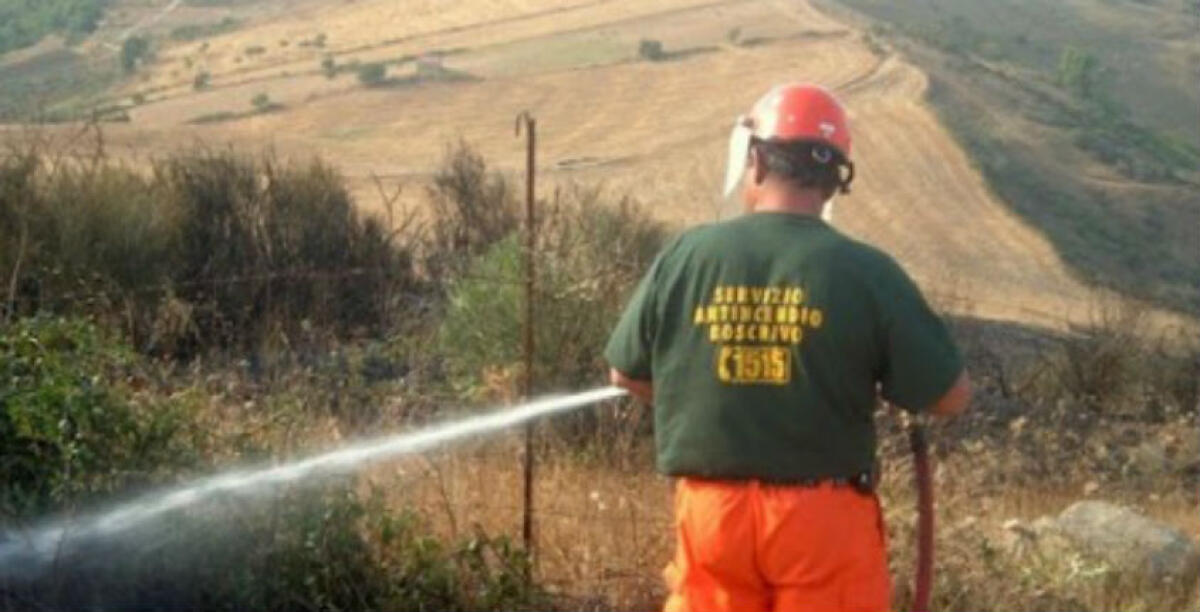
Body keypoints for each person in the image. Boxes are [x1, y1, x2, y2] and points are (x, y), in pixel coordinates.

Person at [604, 83, 971, 612]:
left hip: (712, 515)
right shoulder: (866, 272)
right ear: (832, 181)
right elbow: (949, 397)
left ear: (754, 160)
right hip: (822, 523)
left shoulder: (687, 255)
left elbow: (626, 375)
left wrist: (722, 394)